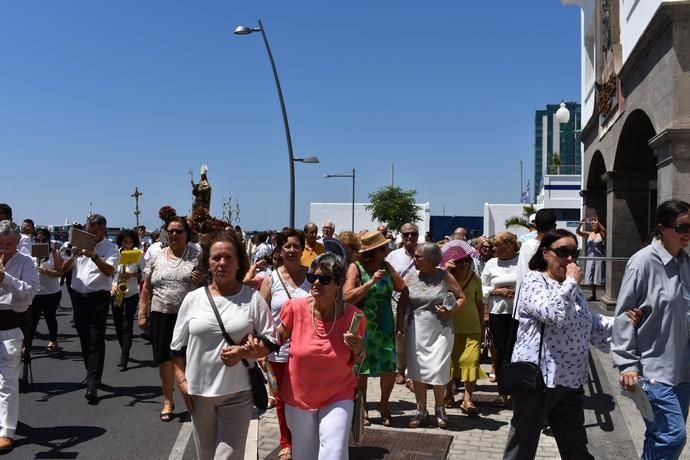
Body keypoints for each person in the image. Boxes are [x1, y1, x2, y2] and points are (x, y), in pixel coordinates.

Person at [503, 229, 613, 459]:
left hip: (570, 380)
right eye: (563, 252)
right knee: (522, 445)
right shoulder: (535, 280)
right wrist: (572, 282)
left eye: (575, 253)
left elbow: (588, 322)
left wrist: (624, 322)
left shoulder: (571, 288)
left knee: (575, 447)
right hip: (539, 380)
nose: (570, 259)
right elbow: (553, 313)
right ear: (546, 253)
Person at [171, 231, 276, 460]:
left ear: (239, 262)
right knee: (206, 455)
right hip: (199, 392)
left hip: (238, 392)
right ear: (208, 263)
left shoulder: (252, 299)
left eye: (228, 257)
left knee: (227, 456)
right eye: (216, 258)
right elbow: (176, 349)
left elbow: (271, 341)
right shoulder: (193, 299)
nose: (222, 263)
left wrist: (245, 352)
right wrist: (181, 382)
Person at [613, 200, 690, 459]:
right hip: (653, 369)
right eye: (682, 226)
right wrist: (627, 363)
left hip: (682, 370)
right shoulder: (642, 262)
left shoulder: (685, 262)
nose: (687, 232)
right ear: (662, 228)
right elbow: (624, 314)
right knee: (672, 435)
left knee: (659, 434)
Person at [279, 253, 366, 460]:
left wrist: (359, 348)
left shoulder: (354, 316)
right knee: (304, 455)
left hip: (338, 395)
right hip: (299, 396)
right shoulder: (294, 308)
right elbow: (275, 339)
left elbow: (360, 361)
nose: (316, 282)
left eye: (324, 279)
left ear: (338, 284)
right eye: (312, 277)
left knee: (333, 453)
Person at [138, 216, 203, 421]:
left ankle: (193, 398)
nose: (174, 234)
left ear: (187, 234)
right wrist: (142, 313)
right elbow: (147, 287)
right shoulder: (156, 256)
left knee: (188, 359)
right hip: (161, 314)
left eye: (179, 231)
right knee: (165, 360)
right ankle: (168, 400)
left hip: (188, 316)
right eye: (171, 231)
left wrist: (200, 280)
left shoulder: (196, 255)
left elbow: (209, 285)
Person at [398, 242, 465, 429]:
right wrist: (399, 326)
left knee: (438, 370)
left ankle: (440, 408)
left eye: (418, 257)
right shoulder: (410, 276)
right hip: (416, 329)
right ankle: (421, 411)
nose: (415, 260)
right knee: (417, 372)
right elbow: (403, 303)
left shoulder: (445, 276)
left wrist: (451, 311)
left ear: (430, 259)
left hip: (441, 329)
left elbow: (461, 297)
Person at [343, 230, 405, 427]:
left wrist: (390, 272)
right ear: (375, 251)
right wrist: (370, 283)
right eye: (384, 247)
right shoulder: (356, 267)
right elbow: (347, 296)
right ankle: (363, 408)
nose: (389, 249)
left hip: (384, 324)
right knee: (362, 369)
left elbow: (401, 287)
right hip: (363, 326)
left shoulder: (386, 266)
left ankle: (384, 405)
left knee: (388, 367)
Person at [260, 229, 311, 460]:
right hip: (278, 349)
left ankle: (306, 438)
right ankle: (286, 441)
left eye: (295, 246)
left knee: (305, 395)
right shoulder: (271, 278)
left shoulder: (313, 277)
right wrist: (261, 348)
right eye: (287, 246)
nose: (291, 250)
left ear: (303, 249)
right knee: (281, 398)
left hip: (308, 349)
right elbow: (260, 314)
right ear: (280, 250)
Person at [62, 214, 119, 404]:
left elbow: (109, 271)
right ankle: (92, 373)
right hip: (78, 298)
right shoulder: (77, 245)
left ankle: (92, 384)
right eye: (88, 231)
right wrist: (73, 255)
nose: (91, 235)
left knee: (96, 339)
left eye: (94, 232)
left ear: (103, 230)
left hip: (98, 299)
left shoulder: (111, 249)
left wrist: (93, 255)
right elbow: (64, 268)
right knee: (84, 338)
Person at [0, 220, 39, 453]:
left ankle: (6, 431)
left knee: (7, 382)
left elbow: (30, 294)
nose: (4, 248)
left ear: (17, 242)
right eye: (0, 244)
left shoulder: (26, 262)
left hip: (10, 327)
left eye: (8, 244)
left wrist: (5, 278)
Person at [442, 244, 485, 414]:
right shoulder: (445, 279)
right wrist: (445, 271)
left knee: (471, 362)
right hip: (450, 328)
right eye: (458, 262)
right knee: (449, 364)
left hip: (472, 328)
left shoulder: (475, 279)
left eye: (465, 261)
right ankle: (447, 394)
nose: (462, 265)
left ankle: (468, 399)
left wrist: (482, 325)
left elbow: (480, 304)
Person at [481, 231, 519, 405]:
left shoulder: (522, 262)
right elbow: (481, 287)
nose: (493, 248)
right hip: (498, 313)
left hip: (519, 313)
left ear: (510, 246)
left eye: (497, 245)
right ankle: (503, 391)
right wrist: (496, 291)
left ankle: (517, 390)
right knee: (501, 351)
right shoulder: (490, 264)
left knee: (516, 352)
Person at [386, 223, 419, 385]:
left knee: (417, 336)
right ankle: (400, 370)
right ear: (401, 235)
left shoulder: (424, 252)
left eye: (413, 234)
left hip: (419, 301)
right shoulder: (394, 256)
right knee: (399, 335)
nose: (410, 237)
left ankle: (413, 371)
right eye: (406, 234)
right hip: (397, 300)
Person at [111, 229, 143, 371]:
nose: (128, 244)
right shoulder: (115, 254)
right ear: (121, 242)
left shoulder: (138, 254)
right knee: (118, 324)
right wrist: (112, 286)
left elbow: (145, 273)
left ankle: (124, 357)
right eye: (125, 241)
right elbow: (110, 273)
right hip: (117, 291)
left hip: (132, 293)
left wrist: (133, 274)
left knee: (127, 324)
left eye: (130, 241)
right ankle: (123, 347)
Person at [30, 228, 64, 353]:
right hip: (35, 293)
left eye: (43, 240)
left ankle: (53, 340)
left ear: (48, 240)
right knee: (32, 320)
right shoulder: (30, 253)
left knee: (50, 317)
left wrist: (47, 271)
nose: (40, 242)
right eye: (38, 240)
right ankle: (27, 344)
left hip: (51, 292)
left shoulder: (53, 253)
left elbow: (60, 272)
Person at [515, 209, 557, 303]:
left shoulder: (526, 245)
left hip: (525, 300)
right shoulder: (555, 248)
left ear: (535, 226)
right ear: (554, 227)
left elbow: (522, 273)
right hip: (548, 302)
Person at [576, 217, 607, 301]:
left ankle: (606, 294)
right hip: (590, 257)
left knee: (599, 276)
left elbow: (605, 232)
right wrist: (580, 224)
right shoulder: (589, 234)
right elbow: (578, 232)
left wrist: (598, 223)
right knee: (591, 276)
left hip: (598, 257)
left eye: (595, 223)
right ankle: (594, 295)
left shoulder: (602, 233)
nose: (593, 224)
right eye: (592, 223)